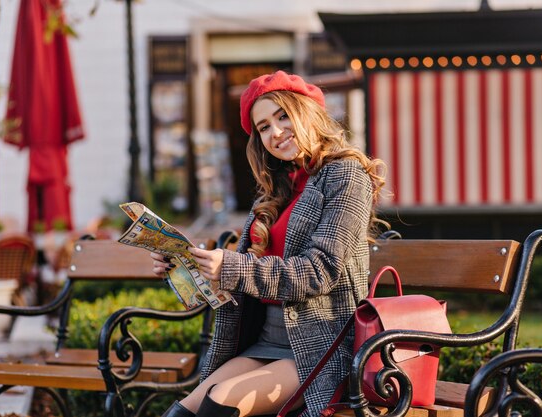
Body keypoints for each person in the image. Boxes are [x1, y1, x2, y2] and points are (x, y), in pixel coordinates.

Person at [151, 70, 387, 417]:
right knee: (183, 413)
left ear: (306, 112)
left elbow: (319, 271)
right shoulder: (276, 189)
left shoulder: (346, 175)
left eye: (282, 116)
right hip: (266, 339)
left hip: (321, 343)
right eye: (263, 127)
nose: (275, 133)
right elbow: (243, 279)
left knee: (221, 403)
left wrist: (230, 266)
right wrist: (185, 262)